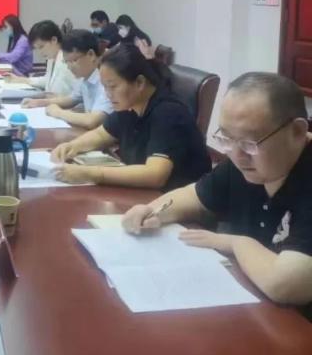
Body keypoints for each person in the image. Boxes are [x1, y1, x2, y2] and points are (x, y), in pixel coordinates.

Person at [122, 73, 312, 313]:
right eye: (227, 138)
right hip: (255, 305)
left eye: (250, 142)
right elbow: (194, 197)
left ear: (297, 132)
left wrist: (237, 243)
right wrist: (152, 210)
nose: (237, 155)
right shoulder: (245, 162)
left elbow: (287, 284)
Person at [50, 43, 210, 189]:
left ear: (139, 83)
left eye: (112, 86)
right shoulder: (130, 105)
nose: (108, 94)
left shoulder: (168, 113)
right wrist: (72, 146)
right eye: (105, 87)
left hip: (173, 200)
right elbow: (101, 134)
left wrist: (91, 174)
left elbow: (155, 175)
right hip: (143, 195)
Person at [22, 30, 112, 129]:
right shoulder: (84, 78)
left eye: (73, 61)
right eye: (66, 62)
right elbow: (71, 99)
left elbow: (91, 121)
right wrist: (39, 103)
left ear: (91, 55)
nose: (69, 67)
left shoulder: (106, 81)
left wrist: (58, 112)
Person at [6, 20, 78, 96]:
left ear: (54, 40)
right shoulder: (52, 58)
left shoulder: (69, 60)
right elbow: (47, 80)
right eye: (37, 48)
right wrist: (22, 80)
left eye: (41, 47)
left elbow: (78, 95)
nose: (40, 52)